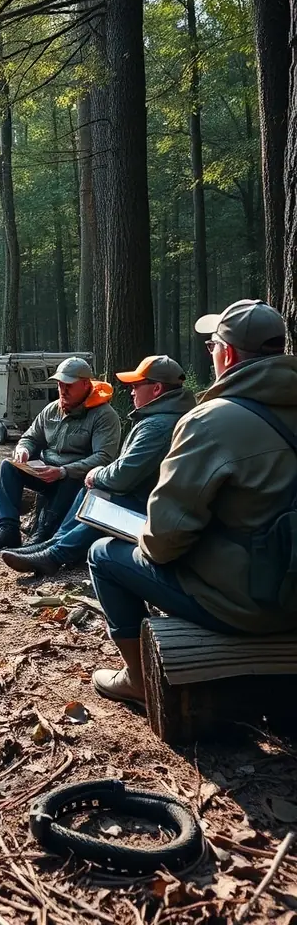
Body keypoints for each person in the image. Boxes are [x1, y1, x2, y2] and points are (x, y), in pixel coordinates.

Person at [88, 300, 297, 707]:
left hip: (255, 605)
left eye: (212, 345)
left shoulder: (211, 422)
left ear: (228, 354)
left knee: (104, 555)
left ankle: (138, 679)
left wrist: (143, 536)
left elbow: (165, 540)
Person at [2, 356, 195, 576]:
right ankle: (48, 544)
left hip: (155, 510)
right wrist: (24, 448)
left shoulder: (157, 426)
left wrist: (96, 474)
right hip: (157, 502)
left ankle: (55, 555)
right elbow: (31, 436)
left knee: (102, 500)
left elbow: (122, 475)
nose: (131, 391)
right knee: (94, 489)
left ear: (157, 389)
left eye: (136, 386)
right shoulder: (162, 418)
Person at [0, 357, 121, 552]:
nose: (63, 390)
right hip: (46, 472)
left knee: (71, 479)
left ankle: (43, 534)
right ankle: (8, 529)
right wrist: (23, 449)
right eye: (60, 384)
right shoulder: (52, 409)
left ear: (86, 384)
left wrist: (63, 471)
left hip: (74, 479)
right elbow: (30, 437)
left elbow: (104, 458)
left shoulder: (104, 415)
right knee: (8, 466)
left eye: (69, 385)